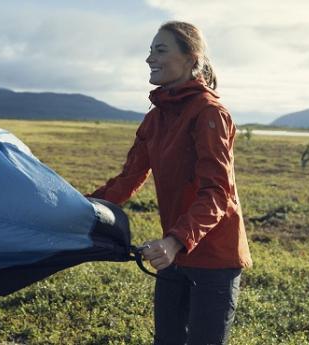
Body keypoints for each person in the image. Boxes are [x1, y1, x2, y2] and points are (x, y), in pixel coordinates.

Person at [88, 21, 253, 345]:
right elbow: (128, 179)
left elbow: (217, 193)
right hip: (174, 252)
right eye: (150, 51)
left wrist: (174, 241)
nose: (150, 58)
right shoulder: (155, 117)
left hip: (214, 258)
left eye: (160, 50)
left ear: (192, 59)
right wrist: (80, 209)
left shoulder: (210, 113)